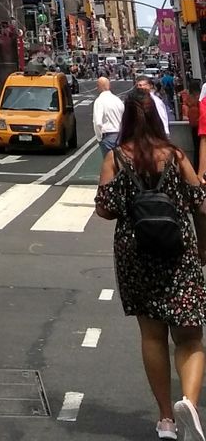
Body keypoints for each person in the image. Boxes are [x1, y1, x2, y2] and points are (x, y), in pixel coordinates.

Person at [95, 89, 206, 441]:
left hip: (137, 254)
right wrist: (204, 246)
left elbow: (105, 208)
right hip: (179, 252)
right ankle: (188, 401)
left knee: (153, 335)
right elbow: (200, 203)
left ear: (126, 120)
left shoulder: (116, 158)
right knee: (190, 337)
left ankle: (165, 420)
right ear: (158, 119)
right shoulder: (175, 155)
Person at [93, 76, 125, 153]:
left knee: (109, 163)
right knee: (120, 162)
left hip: (108, 136)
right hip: (120, 135)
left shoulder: (99, 101)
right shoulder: (117, 100)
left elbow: (97, 122)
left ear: (99, 86)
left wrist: (99, 138)